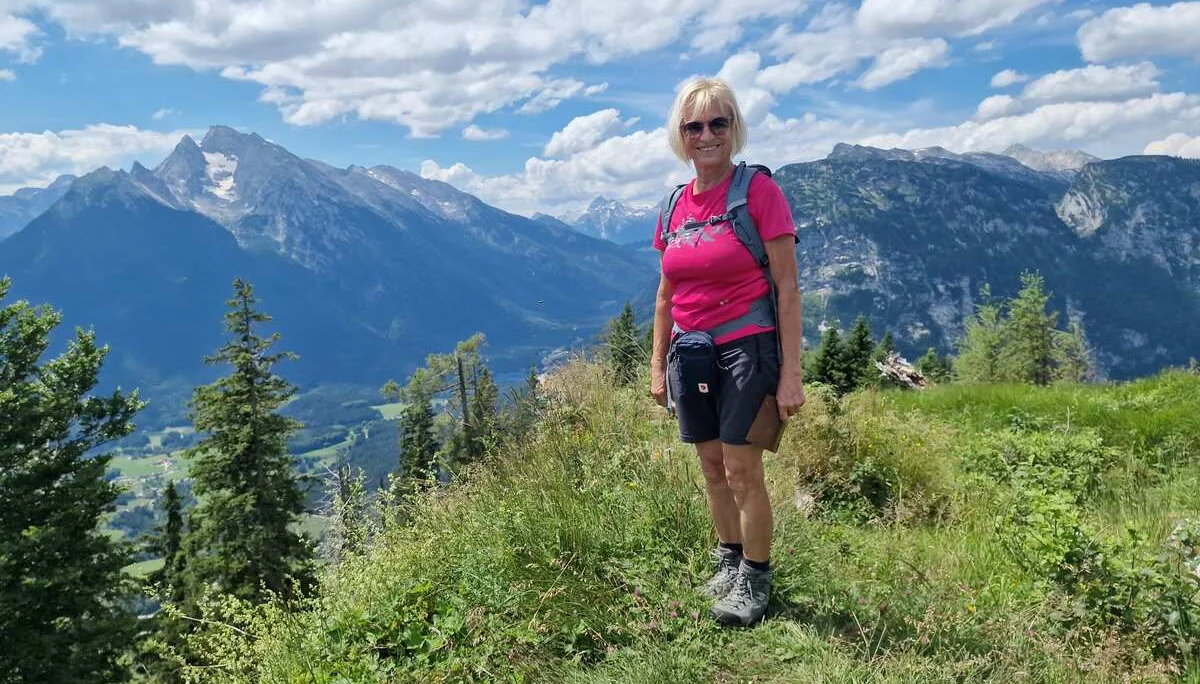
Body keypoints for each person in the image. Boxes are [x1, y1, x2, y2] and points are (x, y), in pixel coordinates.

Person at [649, 77, 806, 627]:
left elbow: (787, 288)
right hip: (690, 354)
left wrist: (791, 374)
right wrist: (657, 366)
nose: (707, 135)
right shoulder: (674, 205)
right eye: (694, 126)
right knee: (711, 466)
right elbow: (665, 295)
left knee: (742, 470)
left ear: (734, 127)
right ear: (681, 135)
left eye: (719, 123)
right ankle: (730, 558)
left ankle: (756, 580)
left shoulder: (758, 192)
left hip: (747, 348)